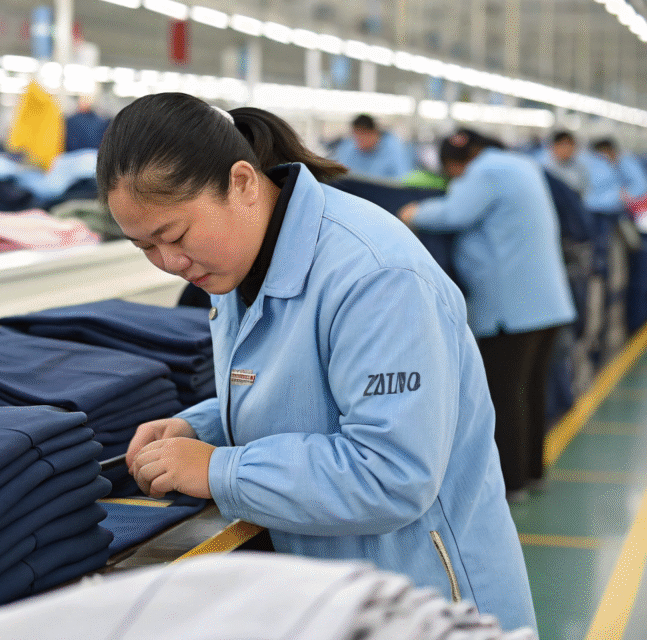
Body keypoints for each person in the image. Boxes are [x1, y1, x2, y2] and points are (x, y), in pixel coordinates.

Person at [102, 93, 536, 632]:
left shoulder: (376, 276)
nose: (170, 262)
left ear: (242, 182)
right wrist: (202, 426)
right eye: (144, 246)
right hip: (341, 594)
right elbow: (303, 386)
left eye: (175, 235)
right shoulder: (236, 261)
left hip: (431, 601)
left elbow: (391, 473)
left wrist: (217, 469)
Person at [399, 128, 576, 501]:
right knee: (531, 390)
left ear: (457, 163)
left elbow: (453, 213)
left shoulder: (486, 171)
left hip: (511, 310)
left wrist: (415, 212)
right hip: (546, 304)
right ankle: (532, 473)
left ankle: (510, 483)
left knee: (504, 395)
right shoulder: (521, 165)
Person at [330, 113, 413, 181]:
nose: (359, 141)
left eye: (363, 135)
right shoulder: (348, 147)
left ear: (374, 133)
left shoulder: (395, 149)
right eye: (356, 136)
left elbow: (402, 180)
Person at [539, 130, 591, 197]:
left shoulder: (581, 168)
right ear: (554, 146)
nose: (566, 149)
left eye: (569, 144)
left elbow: (585, 191)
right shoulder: (544, 167)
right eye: (562, 145)